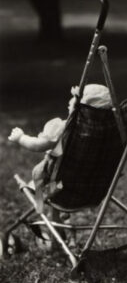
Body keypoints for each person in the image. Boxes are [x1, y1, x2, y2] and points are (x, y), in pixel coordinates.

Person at [8, 84, 112, 217]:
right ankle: (55, 215)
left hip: (62, 185)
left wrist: (21, 137)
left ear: (81, 108)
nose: (70, 101)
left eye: (74, 98)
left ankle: (40, 203)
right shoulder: (111, 133)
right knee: (60, 179)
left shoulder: (64, 128)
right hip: (92, 189)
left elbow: (37, 146)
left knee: (38, 172)